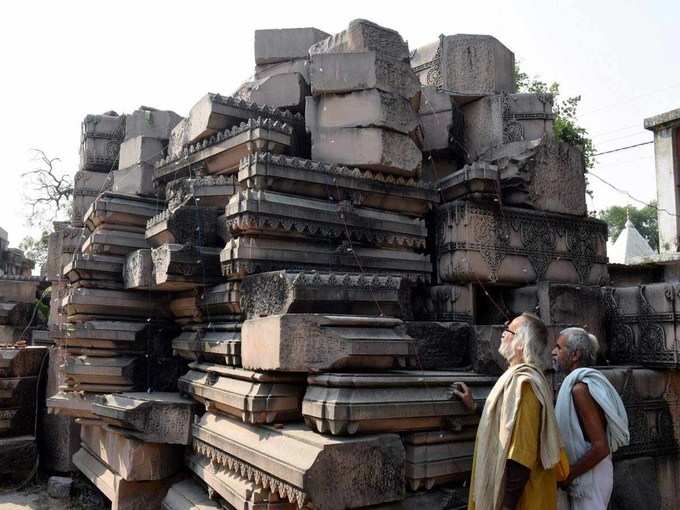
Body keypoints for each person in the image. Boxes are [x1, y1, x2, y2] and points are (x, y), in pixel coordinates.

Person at [454, 313, 568, 510]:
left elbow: (521, 455)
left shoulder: (525, 385)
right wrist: (475, 407)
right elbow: (507, 426)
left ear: (521, 344)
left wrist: (507, 506)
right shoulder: (515, 378)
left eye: (509, 330)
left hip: (524, 500)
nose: (503, 333)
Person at [552, 328, 629, 510]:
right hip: (589, 473)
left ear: (575, 355)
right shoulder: (577, 385)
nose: (553, 352)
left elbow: (600, 447)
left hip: (592, 475)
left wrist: (568, 476)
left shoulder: (580, 389)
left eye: (558, 347)